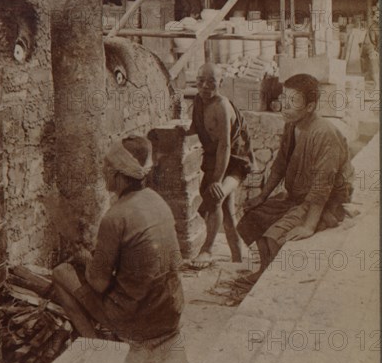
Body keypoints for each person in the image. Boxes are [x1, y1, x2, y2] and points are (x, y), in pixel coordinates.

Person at [52, 135, 184, 342]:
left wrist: (86, 259)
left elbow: (98, 284)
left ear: (118, 174)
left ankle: (96, 345)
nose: (103, 171)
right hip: (170, 313)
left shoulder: (115, 216)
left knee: (61, 273)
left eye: (106, 166)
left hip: (139, 321)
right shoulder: (157, 201)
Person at [236, 73, 354, 284]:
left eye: (293, 101)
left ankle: (275, 281)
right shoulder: (291, 125)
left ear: (310, 107)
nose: (284, 106)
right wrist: (262, 196)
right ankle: (264, 271)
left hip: (326, 202)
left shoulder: (324, 134)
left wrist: (308, 225)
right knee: (253, 218)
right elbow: (280, 164)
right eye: (284, 98)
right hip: (296, 196)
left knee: (274, 236)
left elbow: (322, 186)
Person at [187, 63, 255, 269]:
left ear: (221, 83)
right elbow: (193, 128)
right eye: (200, 81)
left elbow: (225, 145)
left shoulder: (222, 106)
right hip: (216, 161)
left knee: (216, 196)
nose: (205, 86)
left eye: (212, 82)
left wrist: (216, 180)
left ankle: (207, 249)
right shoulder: (198, 101)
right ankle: (238, 261)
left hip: (235, 162)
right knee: (227, 216)